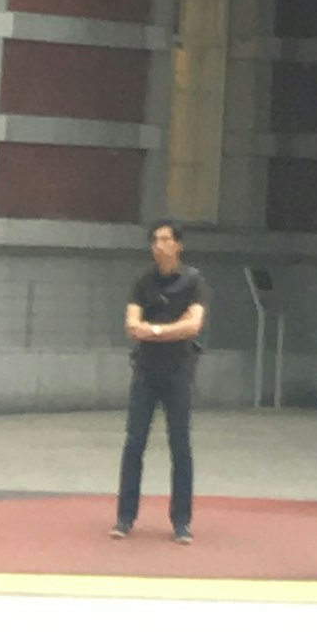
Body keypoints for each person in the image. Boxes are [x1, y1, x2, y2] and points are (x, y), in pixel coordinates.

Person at [114, 219, 208, 543]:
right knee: (134, 443)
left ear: (178, 245)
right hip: (145, 372)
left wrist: (153, 330)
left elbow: (194, 326)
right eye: (154, 239)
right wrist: (168, 329)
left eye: (165, 239)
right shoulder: (142, 281)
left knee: (180, 446)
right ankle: (125, 517)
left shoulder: (193, 281)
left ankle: (181, 521)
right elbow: (131, 325)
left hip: (178, 372)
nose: (158, 245)